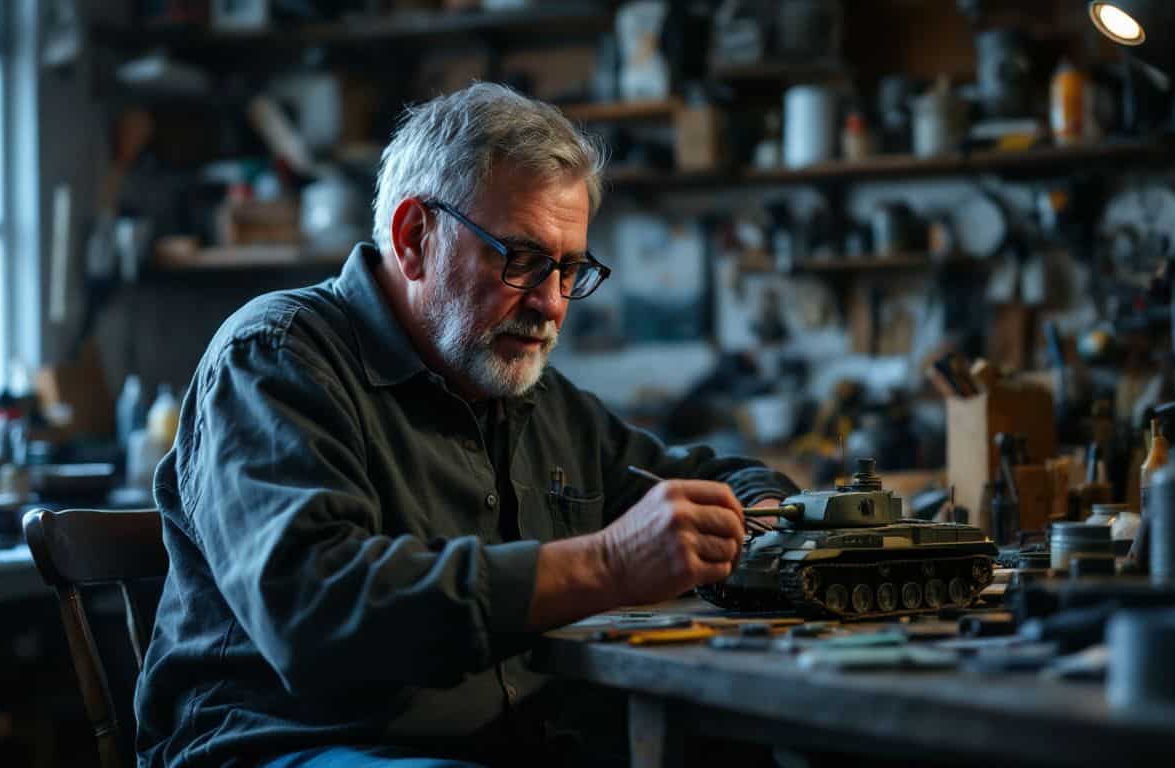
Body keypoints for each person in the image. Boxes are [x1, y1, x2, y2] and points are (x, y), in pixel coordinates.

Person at [135, 82, 798, 768]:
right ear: (415, 237)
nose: (550, 304)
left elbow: (708, 479)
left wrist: (759, 516)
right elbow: (316, 613)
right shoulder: (275, 357)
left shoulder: (530, 396)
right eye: (520, 259)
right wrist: (608, 564)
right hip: (294, 748)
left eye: (570, 270)